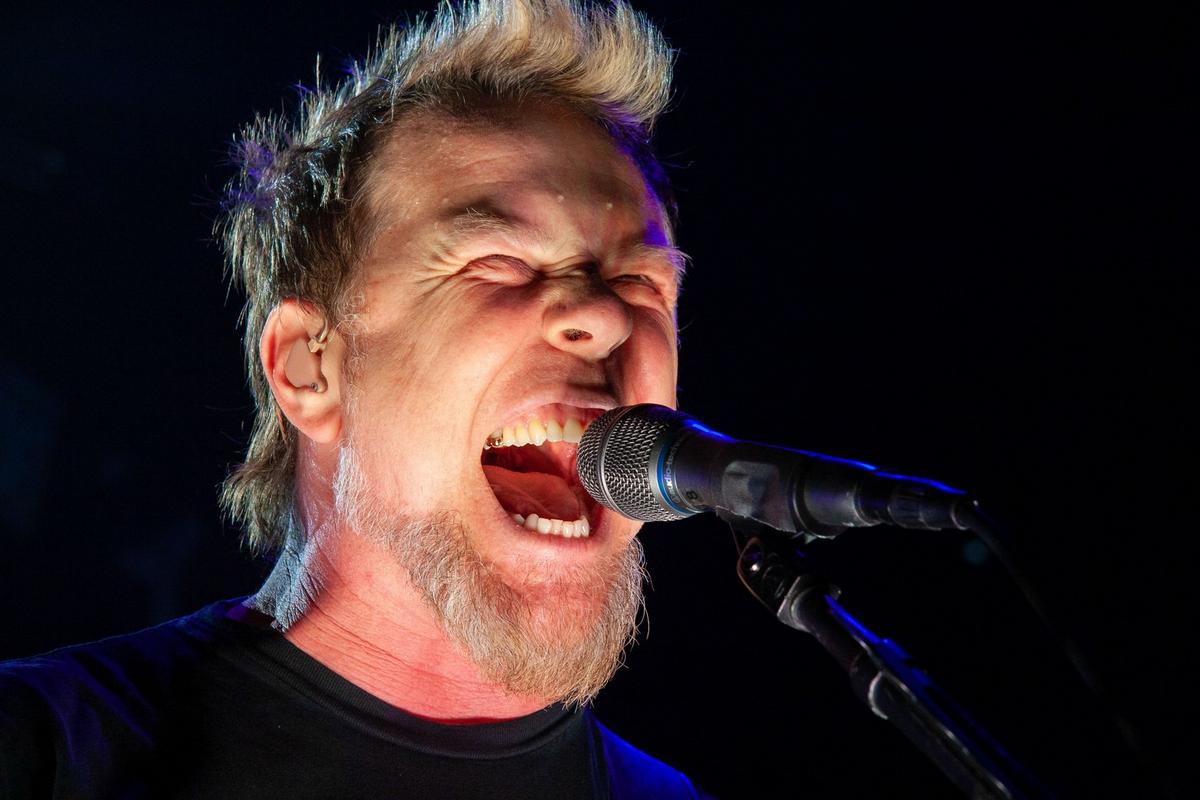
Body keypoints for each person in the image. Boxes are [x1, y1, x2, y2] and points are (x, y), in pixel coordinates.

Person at [0, 0, 705, 797]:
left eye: (639, 281)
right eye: (499, 261)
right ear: (309, 367)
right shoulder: (42, 757)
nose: (607, 317)